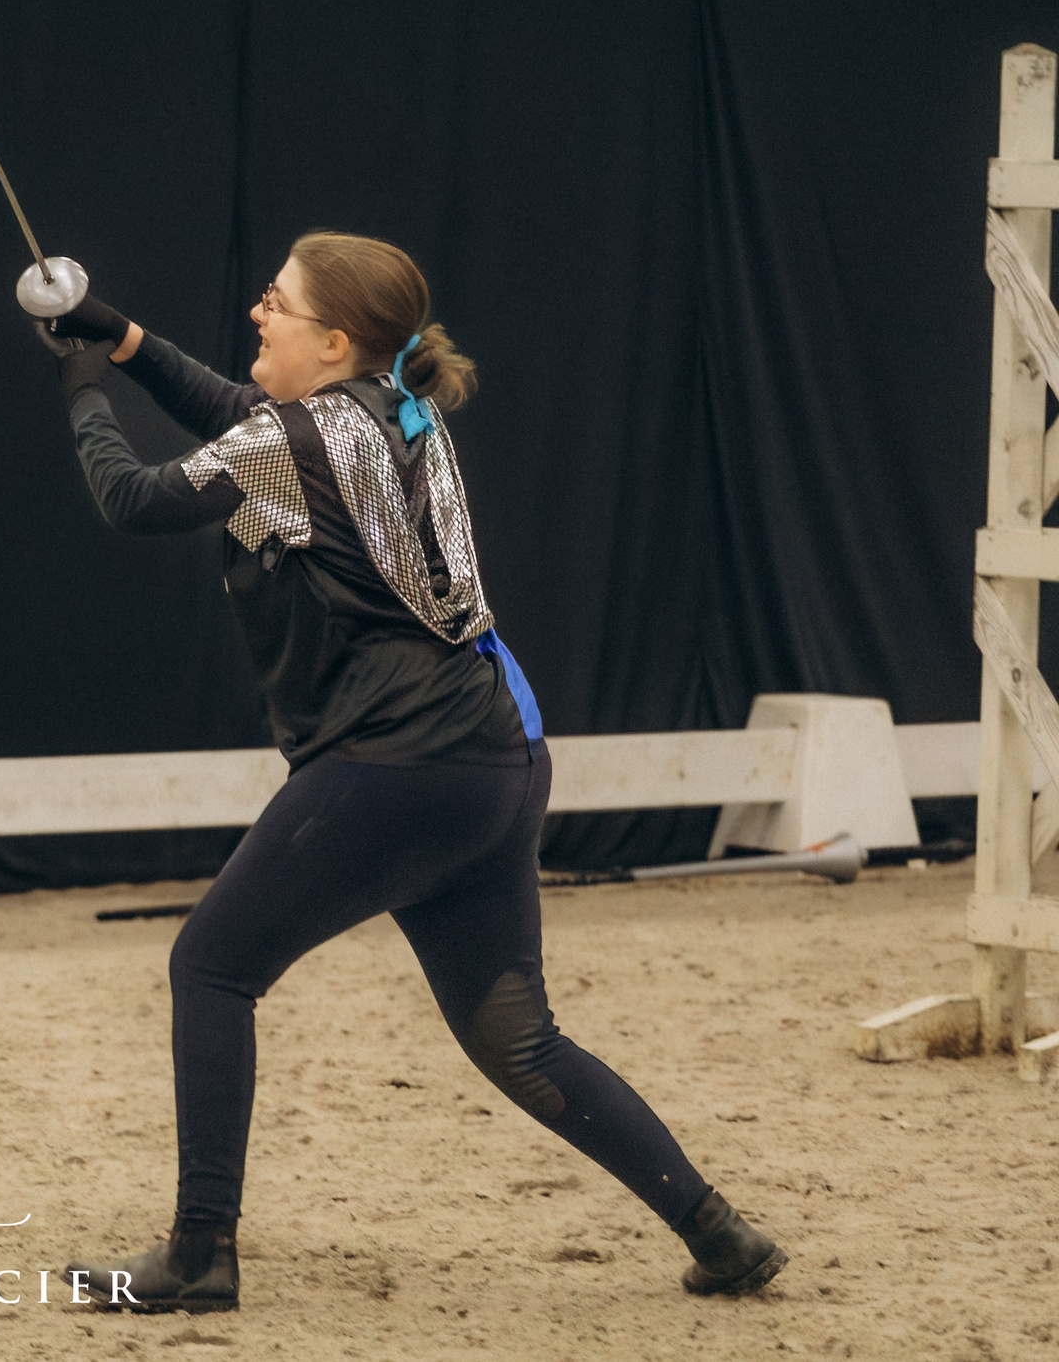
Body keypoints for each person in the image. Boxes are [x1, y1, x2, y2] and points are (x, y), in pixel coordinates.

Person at [42, 233, 786, 1313]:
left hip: (397, 766)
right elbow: (234, 413)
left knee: (210, 967)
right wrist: (119, 336)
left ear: (333, 340)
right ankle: (718, 1233)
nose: (256, 311)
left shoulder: (293, 440)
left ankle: (201, 1253)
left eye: (276, 302)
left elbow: (131, 497)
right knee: (518, 1039)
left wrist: (79, 377)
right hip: (494, 760)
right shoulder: (396, 407)